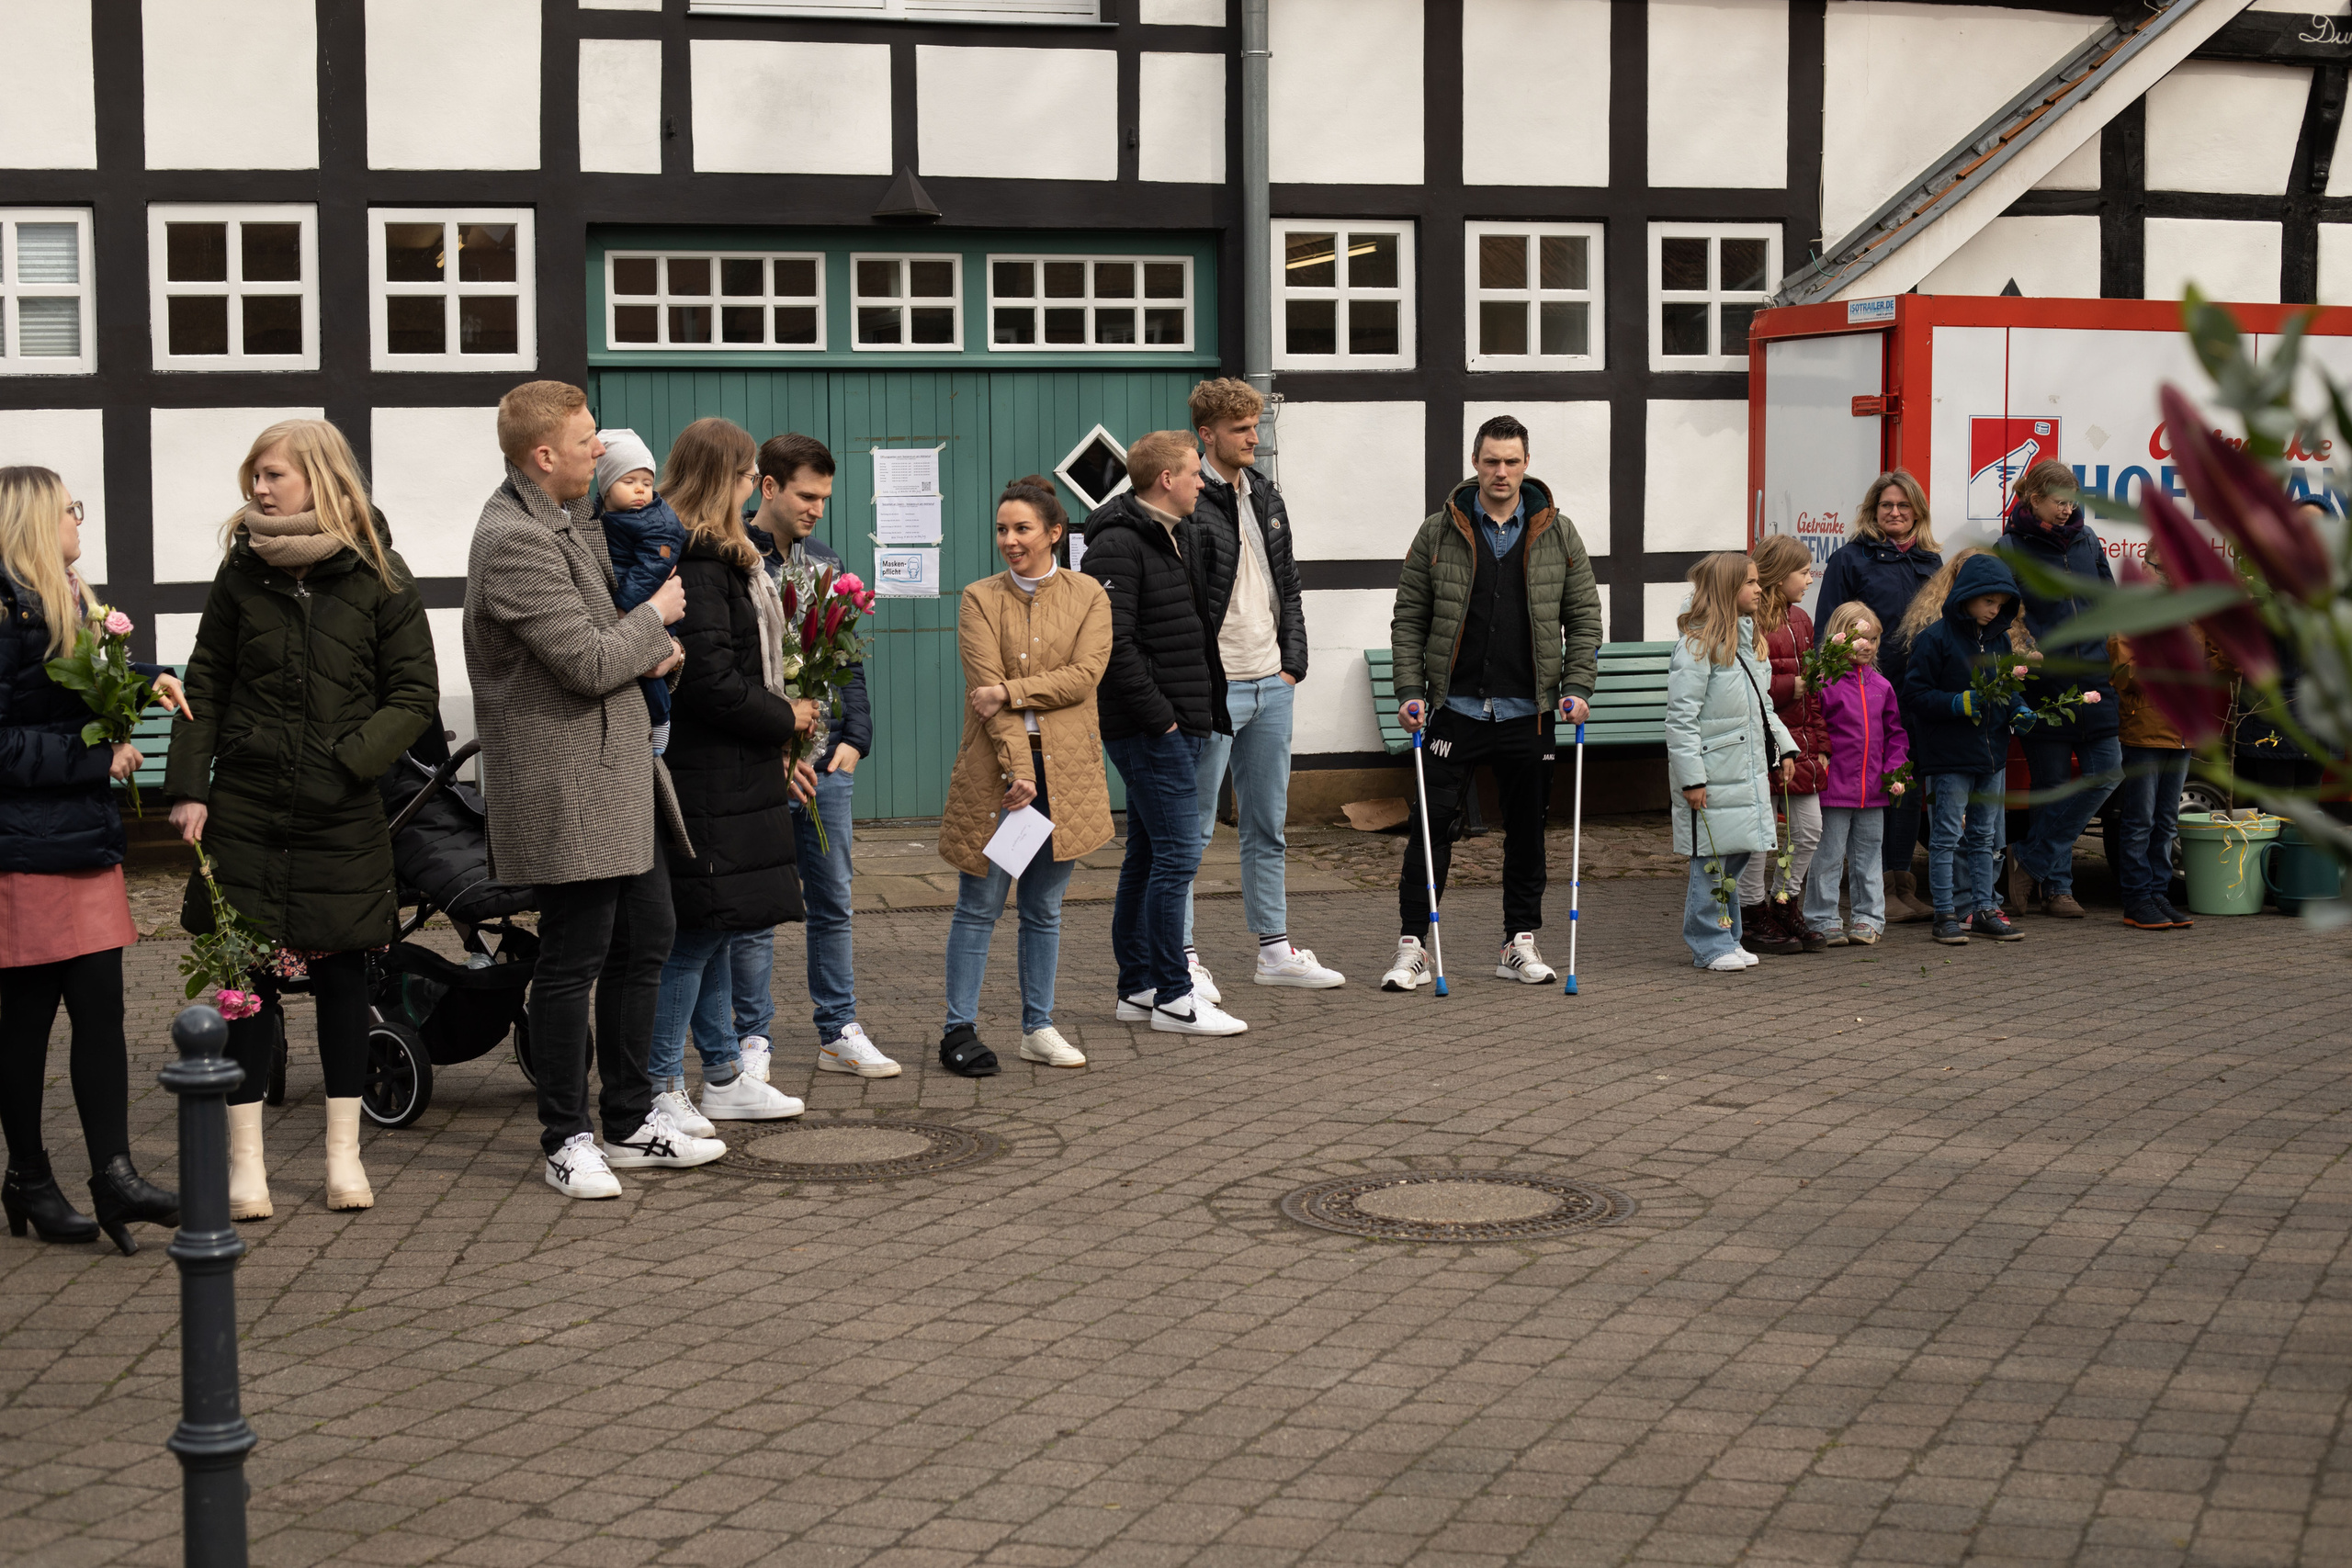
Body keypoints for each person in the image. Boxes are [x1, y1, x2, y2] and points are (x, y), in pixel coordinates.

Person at [165, 419, 438, 1220]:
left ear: (319, 478)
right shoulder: (240, 573)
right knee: (245, 983)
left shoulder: (380, 574)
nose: (259, 488)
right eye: (254, 475)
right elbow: (204, 682)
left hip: (340, 810)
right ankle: (246, 1166)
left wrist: (346, 761)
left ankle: (342, 1158)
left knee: (344, 978)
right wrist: (192, 785)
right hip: (246, 806)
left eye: (274, 474)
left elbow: (413, 696)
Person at [464, 381, 724, 1200]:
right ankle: (565, 1137)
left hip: (620, 773)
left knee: (648, 934)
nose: (599, 448)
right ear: (543, 454)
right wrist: (659, 620)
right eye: (586, 439)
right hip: (566, 784)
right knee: (574, 958)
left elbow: (607, 642)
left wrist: (651, 650)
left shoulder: (571, 518)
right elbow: (587, 660)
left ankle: (630, 1117)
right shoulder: (511, 539)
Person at [0, 466, 184, 1254]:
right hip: (27, 846)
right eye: (72, 510)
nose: (82, 520)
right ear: (40, 521)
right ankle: (30, 1176)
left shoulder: (69, 598)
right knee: (29, 1024)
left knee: (103, 1011)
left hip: (80, 838)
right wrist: (93, 760)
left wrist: (147, 681)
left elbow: (74, 690)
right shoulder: (5, 611)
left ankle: (113, 1175)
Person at [1382, 414, 1602, 991]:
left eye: (1511, 461)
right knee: (1431, 830)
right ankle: (1412, 947)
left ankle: (1519, 942)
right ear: (1475, 463)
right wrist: (1410, 692)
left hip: (1528, 713)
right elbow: (1410, 620)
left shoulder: (1559, 532)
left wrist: (1577, 687)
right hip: (1453, 709)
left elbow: (1583, 620)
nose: (1501, 472)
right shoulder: (1438, 531)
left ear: (1526, 464)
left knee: (1528, 831)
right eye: (1490, 461)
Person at [645, 418, 819, 1127]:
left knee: (716, 924)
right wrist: (788, 717)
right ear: (726, 480)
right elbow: (713, 682)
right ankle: (659, 1085)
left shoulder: (723, 558)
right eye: (749, 477)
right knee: (692, 937)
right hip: (707, 773)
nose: (754, 490)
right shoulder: (700, 560)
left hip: (730, 772)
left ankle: (722, 1074)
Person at [935, 477, 1114, 1075]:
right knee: (980, 901)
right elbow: (983, 702)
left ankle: (1038, 1026)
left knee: (1043, 906)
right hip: (1005, 776)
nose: (1009, 540)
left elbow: (1085, 676)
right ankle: (958, 1028)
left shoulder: (1089, 594)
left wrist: (1012, 688)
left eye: (1022, 528)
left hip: (1066, 774)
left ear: (1054, 533)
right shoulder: (980, 599)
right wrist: (1018, 771)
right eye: (1002, 529)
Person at [739, 433, 895, 1081]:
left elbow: (847, 659)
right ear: (768, 487)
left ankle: (839, 1030)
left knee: (832, 901)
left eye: (825, 498)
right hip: (758, 767)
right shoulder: (734, 559)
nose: (816, 510)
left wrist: (857, 737)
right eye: (806, 495)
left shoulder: (824, 560)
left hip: (827, 767)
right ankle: (751, 1042)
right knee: (755, 909)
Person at [1178, 378, 1340, 997]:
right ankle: (1182, 956)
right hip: (1214, 688)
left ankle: (1275, 950)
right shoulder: (1190, 501)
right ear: (1208, 434)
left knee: (1267, 824)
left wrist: (1292, 663)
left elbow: (1289, 585)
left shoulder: (1266, 495)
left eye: (1254, 424)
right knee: (1189, 829)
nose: (1253, 436)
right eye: (1241, 428)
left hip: (1272, 682)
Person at [1082, 430, 1246, 1036]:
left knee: (1149, 853)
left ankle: (1139, 988)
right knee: (1178, 852)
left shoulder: (1174, 536)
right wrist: (1163, 717)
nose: (1201, 483)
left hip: (1180, 723)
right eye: (1192, 473)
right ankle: (1176, 996)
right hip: (1150, 729)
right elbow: (1114, 645)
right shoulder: (1117, 545)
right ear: (1165, 480)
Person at [1815, 470, 1943, 922]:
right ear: (1873, 511)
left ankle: (1901, 883)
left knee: (1905, 786)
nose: (1895, 513)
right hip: (1862, 698)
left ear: (1917, 513)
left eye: (1903, 506)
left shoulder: (1931, 562)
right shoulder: (1851, 560)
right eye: (1886, 505)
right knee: (1865, 794)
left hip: (1916, 694)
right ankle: (1872, 889)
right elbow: (1827, 632)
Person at [1999, 458, 2121, 917]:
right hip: (2044, 687)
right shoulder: (2010, 546)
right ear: (2035, 499)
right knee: (2052, 786)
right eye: (2059, 502)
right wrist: (2027, 653)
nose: (2068, 510)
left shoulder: (2088, 540)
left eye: (2073, 501)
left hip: (2093, 680)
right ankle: (2058, 887)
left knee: (2108, 773)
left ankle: (2029, 859)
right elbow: (2003, 616)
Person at [1666, 554, 1798, 973]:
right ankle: (1708, 943)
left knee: (1735, 856)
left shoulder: (1748, 643)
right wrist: (1692, 779)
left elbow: (1764, 707)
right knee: (1712, 859)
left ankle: (1728, 936)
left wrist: (1786, 749)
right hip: (1714, 770)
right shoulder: (1697, 647)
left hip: (1745, 767)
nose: (1760, 589)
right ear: (1727, 590)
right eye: (1751, 583)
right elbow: (1681, 718)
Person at [1901, 552, 2032, 945]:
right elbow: (1915, 694)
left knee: (1985, 838)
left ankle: (1984, 911)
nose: (1995, 610)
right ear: (1967, 595)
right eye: (1989, 601)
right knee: (1945, 838)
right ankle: (1945, 914)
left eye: (2001, 604)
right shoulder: (1934, 639)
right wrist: (1955, 703)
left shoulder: (2000, 641)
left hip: (1990, 755)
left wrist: (2020, 708)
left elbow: (2007, 689)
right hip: (1948, 756)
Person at [2109, 543, 2226, 931]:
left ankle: (2158, 894)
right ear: (2149, 566)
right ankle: (2137, 899)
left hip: (2184, 731)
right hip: (2146, 730)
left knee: (2165, 821)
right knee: (2139, 821)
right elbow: (2123, 674)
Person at [1739, 536, 1830, 955]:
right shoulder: (1749, 619)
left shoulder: (1802, 621)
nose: (1810, 579)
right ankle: (1751, 912)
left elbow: (1812, 692)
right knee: (1760, 836)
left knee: (1808, 829)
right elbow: (1740, 686)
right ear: (1778, 574)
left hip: (1798, 743)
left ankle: (1783, 901)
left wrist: (1820, 742)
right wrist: (1785, 686)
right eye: (1803, 571)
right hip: (1758, 742)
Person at [1801, 601, 1910, 947]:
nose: (1867, 646)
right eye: (1859, 638)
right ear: (1839, 637)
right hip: (1834, 786)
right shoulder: (1823, 681)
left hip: (1872, 790)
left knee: (1868, 856)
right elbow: (1812, 726)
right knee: (1828, 856)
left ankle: (1868, 918)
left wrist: (1895, 771)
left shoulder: (1882, 686)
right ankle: (1822, 918)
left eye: (1874, 640)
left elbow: (1895, 734)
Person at [591, 428, 686, 756]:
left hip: (646, 606)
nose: (640, 491)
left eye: (646, 483)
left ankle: (660, 720)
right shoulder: (601, 515)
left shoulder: (656, 522)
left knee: (650, 672)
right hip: (634, 605)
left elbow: (653, 568)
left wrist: (623, 606)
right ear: (605, 487)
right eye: (629, 482)